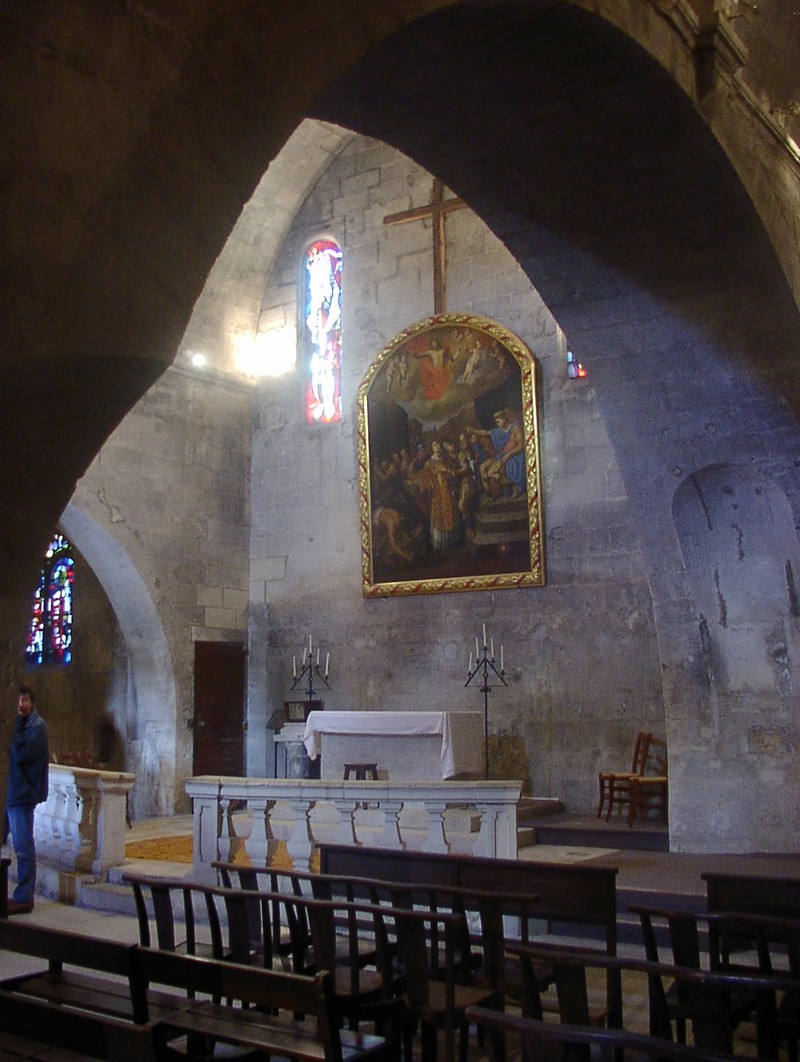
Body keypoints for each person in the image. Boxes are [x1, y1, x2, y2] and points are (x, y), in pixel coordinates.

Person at [4, 684, 49, 914]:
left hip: (23, 794)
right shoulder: (23, 725)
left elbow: (24, 755)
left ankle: (24, 896)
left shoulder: (37, 727)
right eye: (19, 701)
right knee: (14, 844)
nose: (21, 705)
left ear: (33, 703)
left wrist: (14, 744)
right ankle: (19, 894)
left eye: (25, 700)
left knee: (23, 847)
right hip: (14, 792)